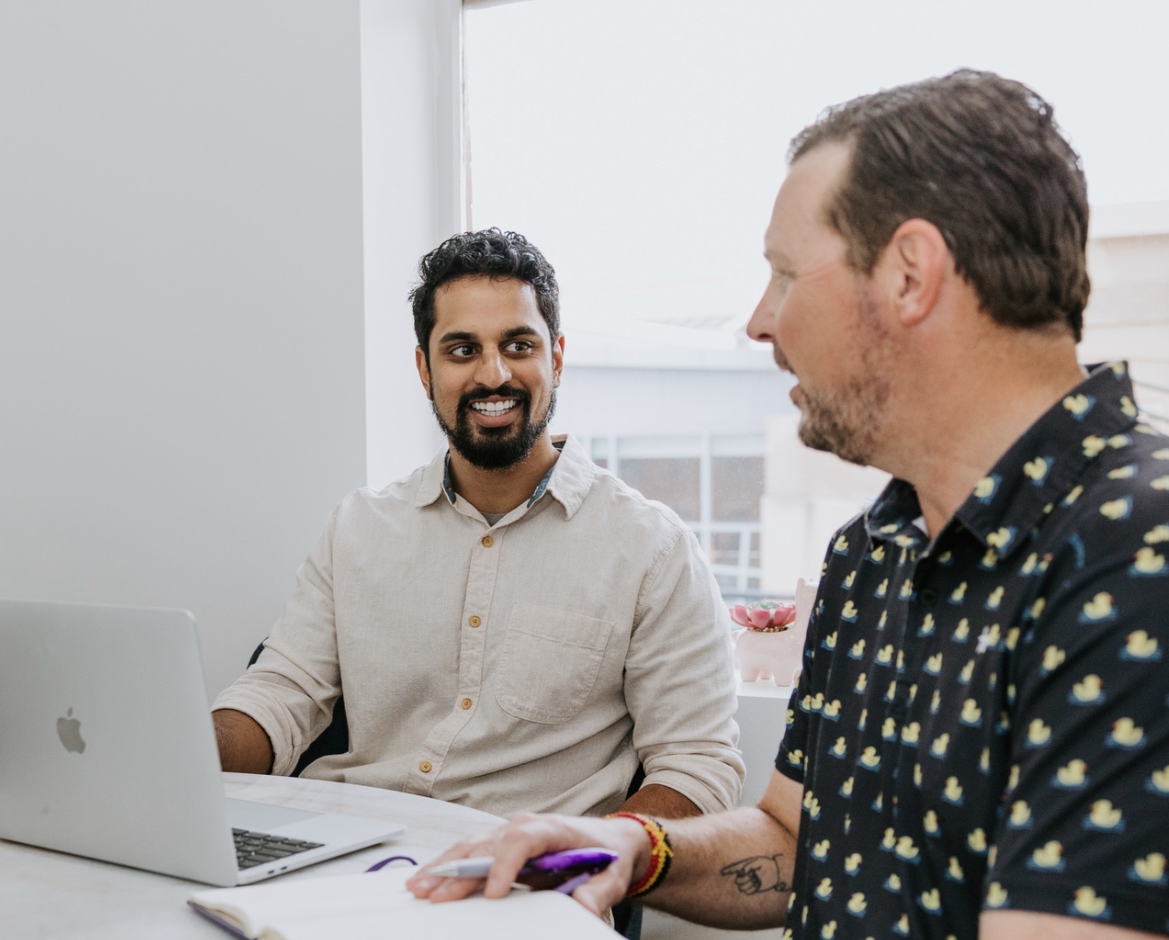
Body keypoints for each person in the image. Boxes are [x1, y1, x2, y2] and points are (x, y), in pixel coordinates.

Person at [410, 71, 1169, 939]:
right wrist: (634, 849)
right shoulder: (874, 550)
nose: (759, 322)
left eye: (782, 275)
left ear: (911, 274)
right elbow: (796, 839)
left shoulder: (1139, 553)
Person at [211, 229, 743, 825]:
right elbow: (282, 695)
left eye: (518, 345)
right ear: (424, 368)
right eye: (462, 350)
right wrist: (184, 754)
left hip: (520, 881)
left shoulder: (651, 550)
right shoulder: (358, 528)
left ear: (557, 357)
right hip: (340, 848)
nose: (493, 375)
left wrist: (591, 860)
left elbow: (698, 766)